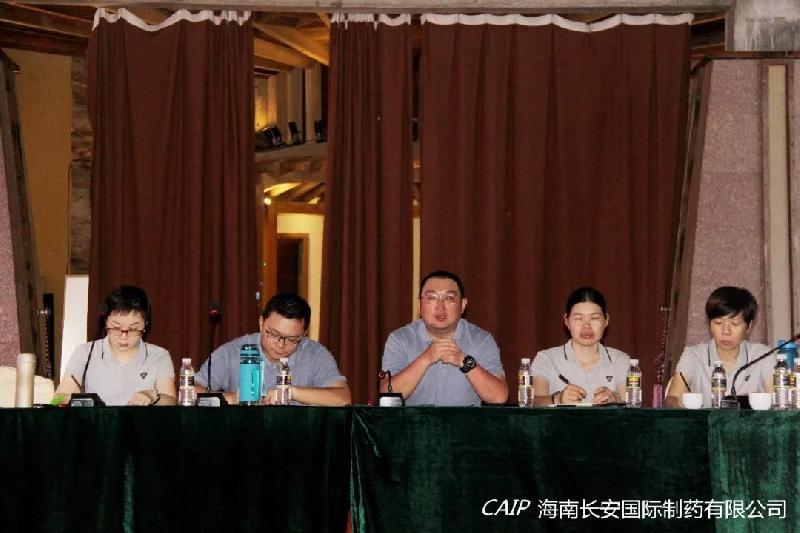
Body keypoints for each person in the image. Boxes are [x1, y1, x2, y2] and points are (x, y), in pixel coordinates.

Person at [195, 293, 351, 406]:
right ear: (261, 323)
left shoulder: (315, 354)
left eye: (292, 339)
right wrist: (232, 398)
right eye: (274, 335)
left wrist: (290, 392)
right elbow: (191, 391)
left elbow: (343, 398)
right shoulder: (233, 352)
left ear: (304, 334)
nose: (281, 345)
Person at [380, 270, 508, 406]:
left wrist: (464, 361)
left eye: (449, 298)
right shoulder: (399, 339)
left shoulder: (481, 340)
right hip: (413, 420)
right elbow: (387, 394)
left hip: (464, 420)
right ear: (419, 305)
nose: (440, 308)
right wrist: (426, 358)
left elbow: (499, 397)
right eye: (432, 298)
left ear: (463, 305)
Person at [56, 285, 176, 406]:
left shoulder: (159, 356)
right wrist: (70, 400)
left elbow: (171, 401)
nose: (124, 336)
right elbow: (56, 399)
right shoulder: (85, 353)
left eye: (133, 329)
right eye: (116, 327)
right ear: (105, 322)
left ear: (146, 324)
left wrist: (151, 396)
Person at [664, 286, 772, 408]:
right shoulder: (693, 355)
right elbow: (672, 398)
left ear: (748, 326)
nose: (726, 331)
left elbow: (777, 400)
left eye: (734, 324)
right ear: (709, 323)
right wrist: (679, 404)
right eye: (718, 323)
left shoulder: (762, 355)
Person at [532, 287, 630, 405]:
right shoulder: (546, 359)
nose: (586, 326)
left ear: (606, 320)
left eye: (594, 318)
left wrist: (615, 400)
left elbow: (631, 406)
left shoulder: (621, 361)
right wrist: (558, 399)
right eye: (579, 318)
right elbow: (533, 403)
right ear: (567, 321)